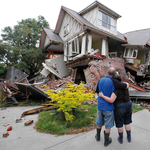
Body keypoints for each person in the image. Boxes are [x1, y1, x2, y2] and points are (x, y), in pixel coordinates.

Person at [95, 67, 129, 147]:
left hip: (100, 106)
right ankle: (106, 141)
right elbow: (124, 86)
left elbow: (97, 91)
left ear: (107, 73)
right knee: (107, 124)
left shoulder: (100, 80)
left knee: (99, 122)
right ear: (114, 74)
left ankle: (98, 137)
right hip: (108, 107)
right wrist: (127, 84)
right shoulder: (114, 81)